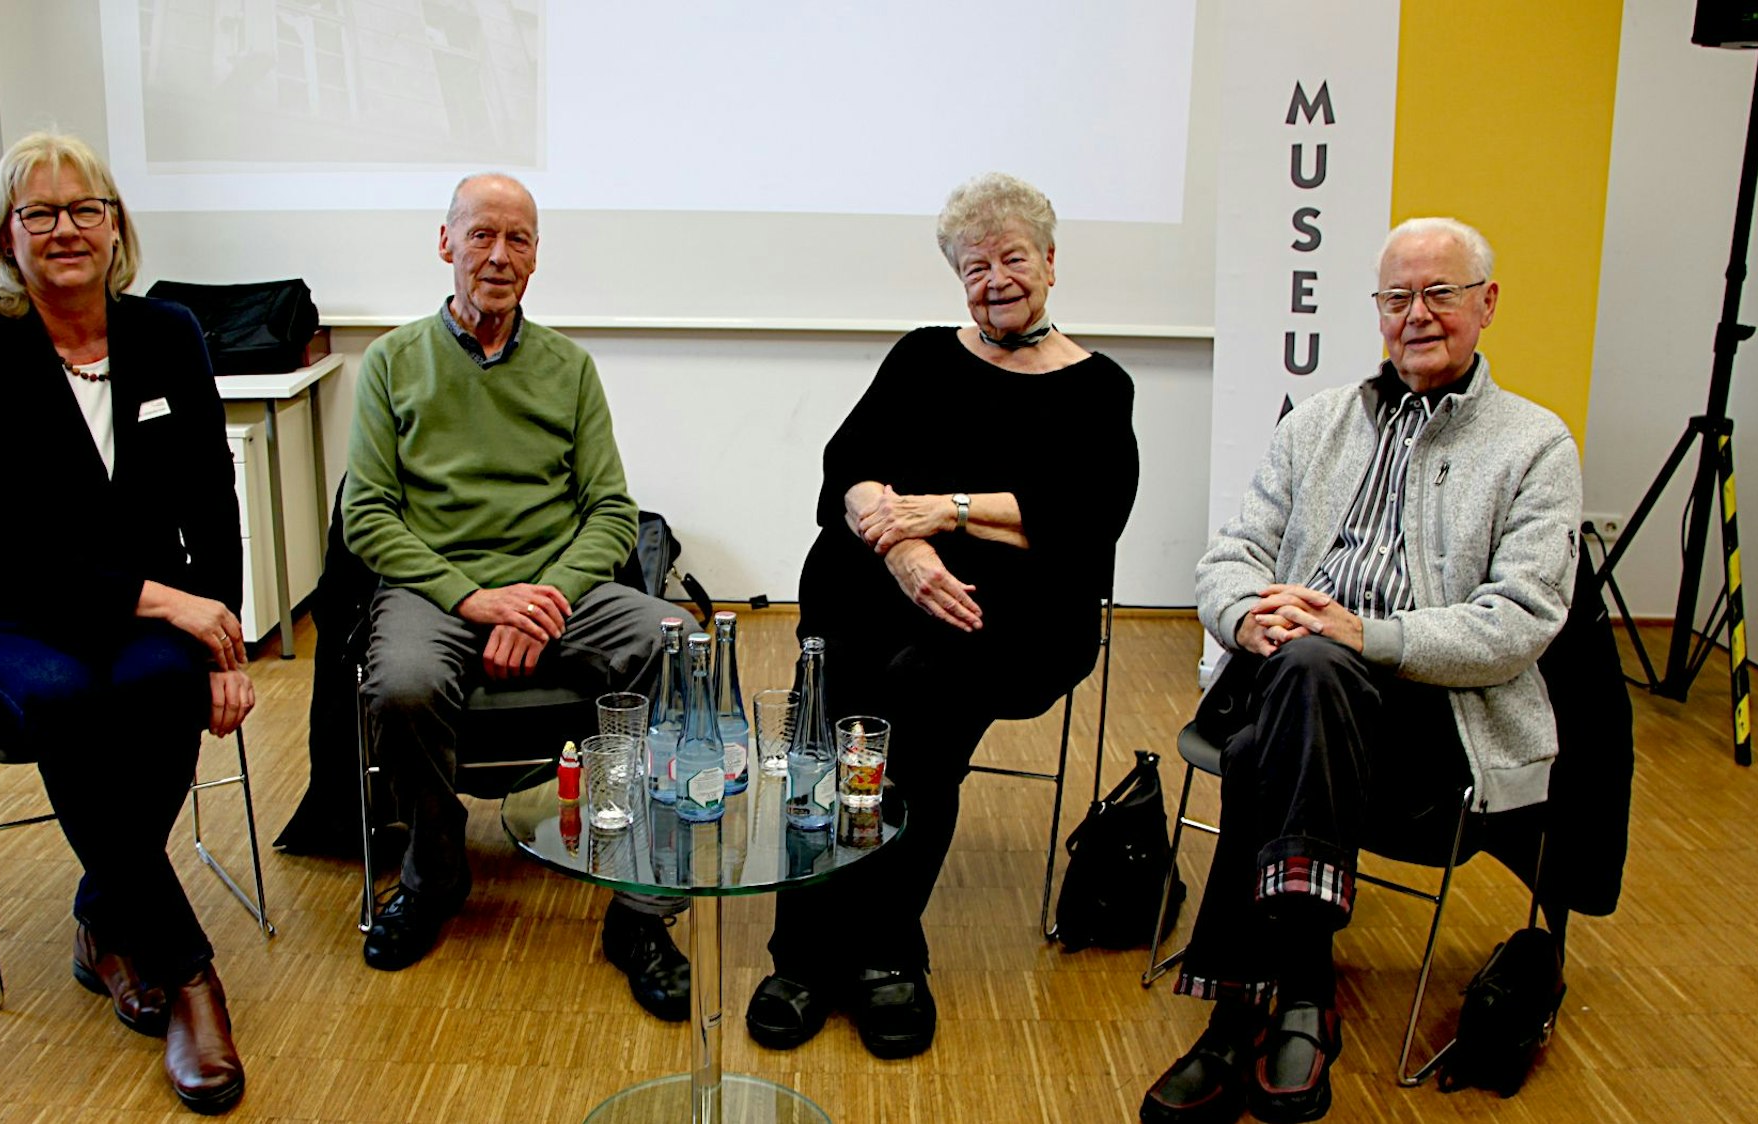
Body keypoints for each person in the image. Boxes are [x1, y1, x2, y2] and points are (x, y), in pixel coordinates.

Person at [1140, 217, 1582, 1124]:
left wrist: (1366, 635)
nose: (1415, 315)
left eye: (1439, 293)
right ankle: (1299, 1003)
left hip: (1434, 715)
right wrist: (1248, 616)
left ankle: (1238, 1011)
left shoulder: (1535, 445)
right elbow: (1231, 555)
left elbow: (1519, 622)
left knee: (1291, 711)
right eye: (1395, 298)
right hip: (1290, 675)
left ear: (1486, 305)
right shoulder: (1318, 423)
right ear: (1376, 310)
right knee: (1304, 669)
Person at [748, 172, 1138, 1059]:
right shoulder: (921, 355)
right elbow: (846, 468)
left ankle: (887, 952)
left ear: (1048, 261)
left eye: (1011, 258)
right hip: (874, 589)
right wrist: (900, 549)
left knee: (916, 703)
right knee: (832, 708)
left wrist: (946, 511)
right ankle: (803, 953)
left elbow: (1082, 519)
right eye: (974, 266)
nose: (995, 279)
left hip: (1015, 616)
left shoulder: (1097, 386)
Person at [0, 132, 251, 1115]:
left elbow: (208, 499)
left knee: (161, 682)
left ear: (116, 226)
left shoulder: (168, 334)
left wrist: (219, 634)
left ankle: (107, 918)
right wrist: (163, 599)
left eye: (85, 208)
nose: (66, 229)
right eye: (39, 213)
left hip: (129, 604)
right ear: (5, 239)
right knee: (65, 699)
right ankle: (188, 973)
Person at [343, 173, 693, 1019]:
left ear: (536, 257)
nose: (498, 256)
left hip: (553, 584)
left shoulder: (568, 367)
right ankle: (434, 874)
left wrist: (546, 596)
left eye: (519, 240)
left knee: (677, 642)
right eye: (481, 235)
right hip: (439, 588)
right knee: (402, 685)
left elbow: (611, 511)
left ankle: (638, 906)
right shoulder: (393, 361)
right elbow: (366, 515)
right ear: (445, 244)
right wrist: (476, 600)